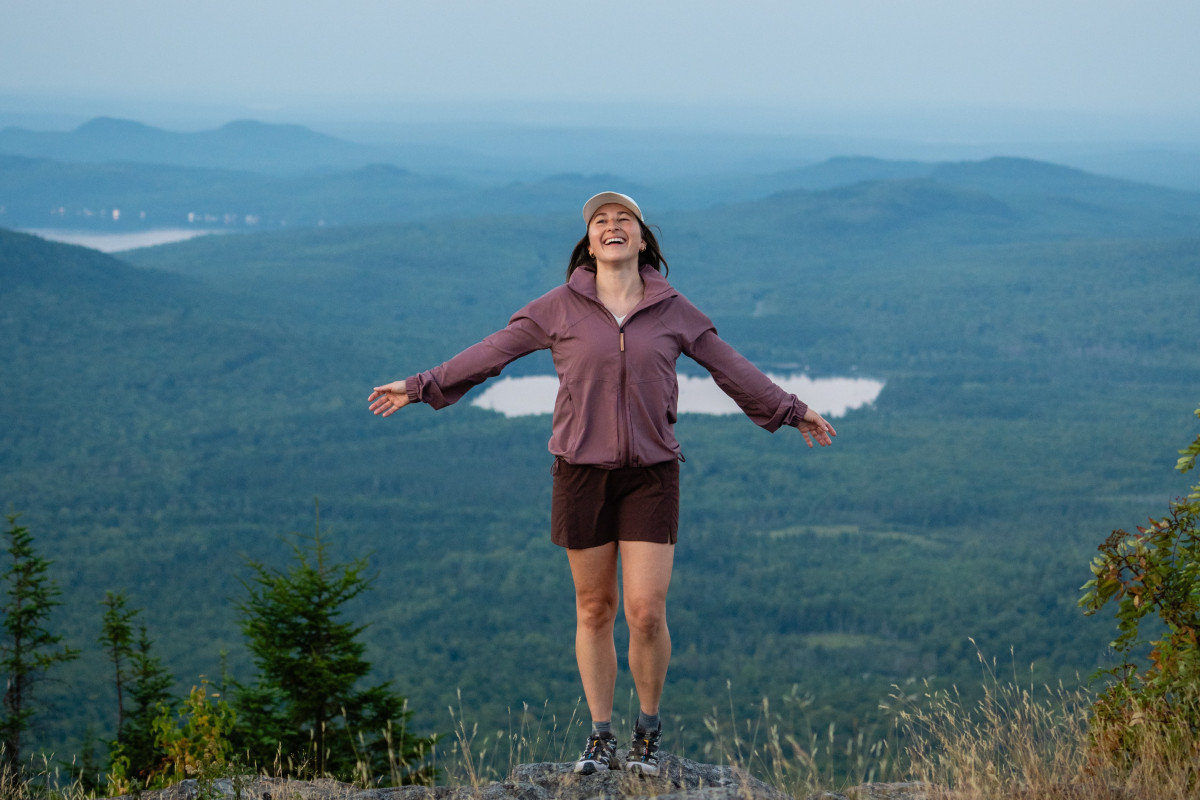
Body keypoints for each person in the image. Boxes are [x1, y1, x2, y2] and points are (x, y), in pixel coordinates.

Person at [368, 191, 836, 776]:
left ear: (642, 239)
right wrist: (418, 386)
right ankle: (600, 736)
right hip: (580, 474)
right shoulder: (557, 307)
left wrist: (792, 409)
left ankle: (647, 734)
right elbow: (491, 354)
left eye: (624, 220)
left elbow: (729, 367)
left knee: (645, 612)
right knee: (594, 608)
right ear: (589, 244)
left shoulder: (673, 310)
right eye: (600, 221)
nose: (612, 227)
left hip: (652, 475)